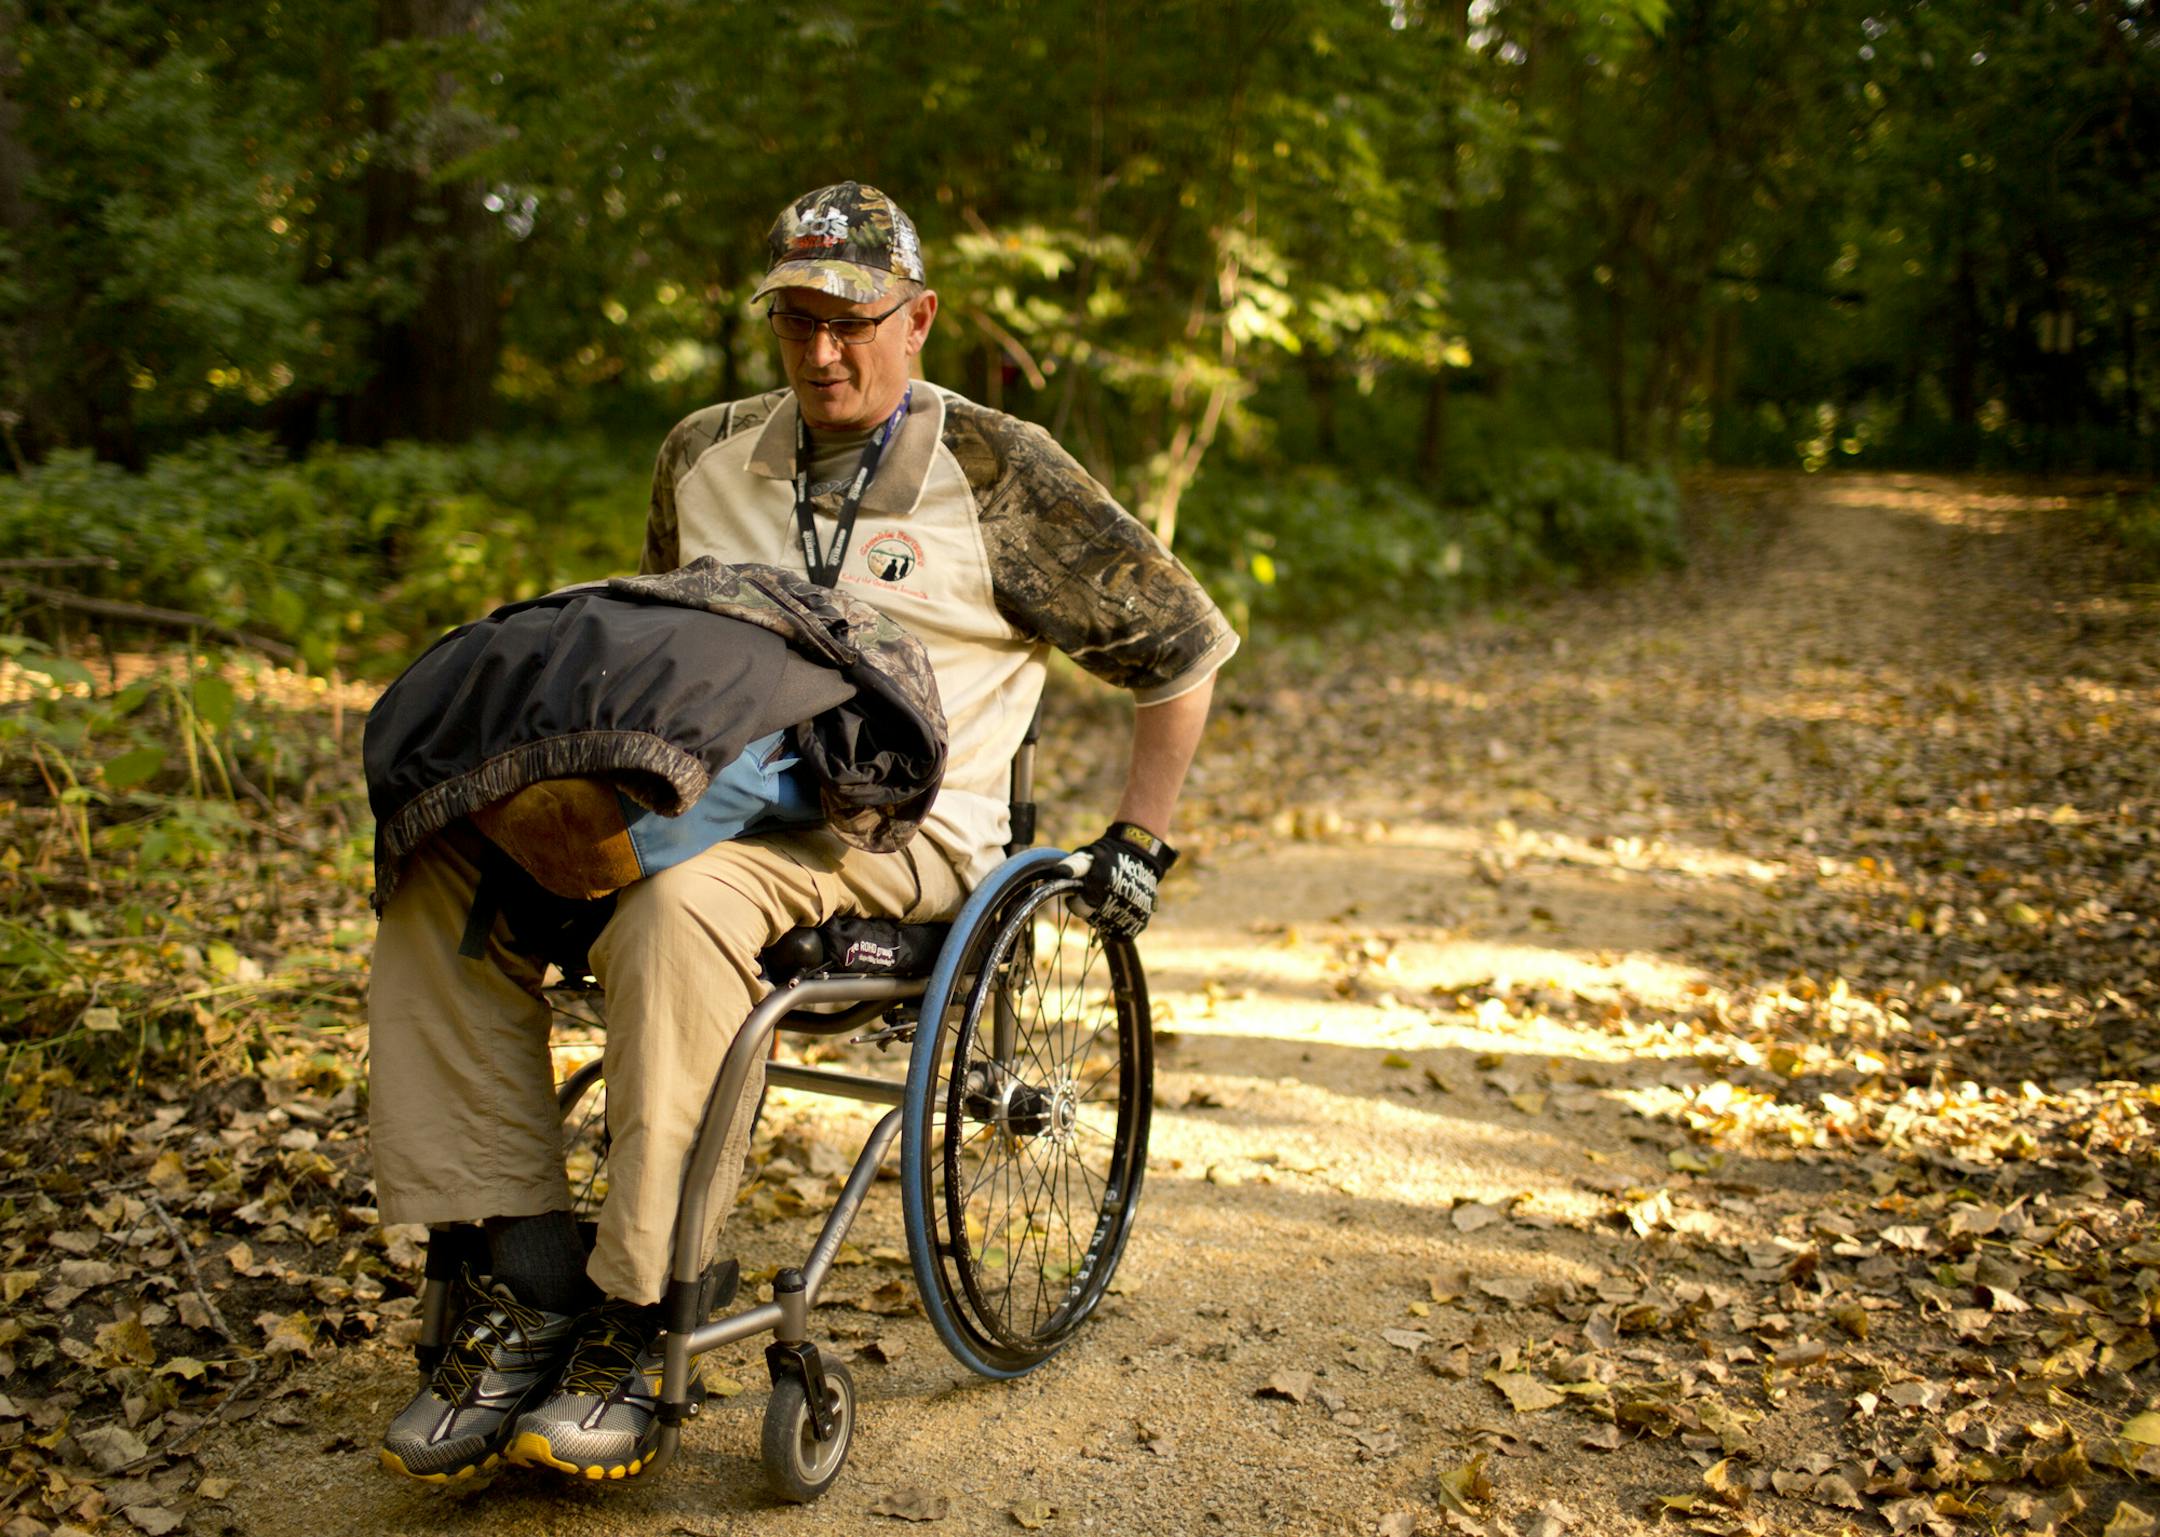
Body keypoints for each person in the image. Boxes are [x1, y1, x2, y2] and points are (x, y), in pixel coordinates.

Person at [369, 181, 1237, 1485]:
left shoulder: (1002, 473)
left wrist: (1138, 841)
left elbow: (1183, 649)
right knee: (440, 875)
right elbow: (654, 661)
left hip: (908, 836)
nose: (823, 351)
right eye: (796, 323)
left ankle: (640, 1310)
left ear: (919, 318)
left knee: (679, 914)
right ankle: (522, 1267)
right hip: (707, 796)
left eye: (853, 321)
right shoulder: (704, 453)